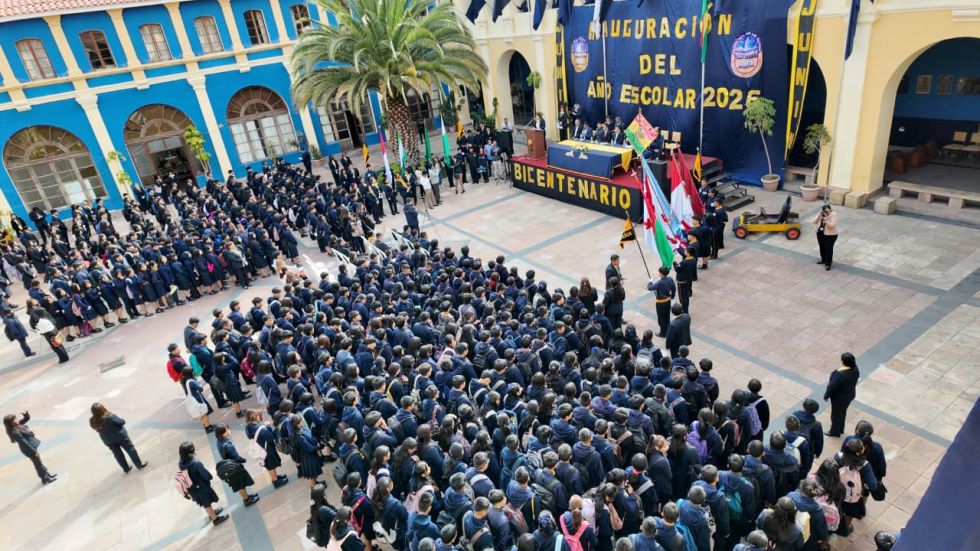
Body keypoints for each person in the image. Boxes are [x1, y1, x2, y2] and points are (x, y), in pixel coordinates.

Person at [177, 441, 228, 525]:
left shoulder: (181, 463)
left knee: (205, 502)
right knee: (206, 503)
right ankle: (215, 518)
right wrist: (209, 477)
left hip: (192, 488)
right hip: (202, 487)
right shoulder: (195, 463)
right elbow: (204, 474)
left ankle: (211, 513)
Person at [89, 402, 147, 473]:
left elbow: (95, 429)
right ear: (102, 408)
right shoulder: (110, 416)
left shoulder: (92, 421)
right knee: (130, 449)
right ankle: (139, 465)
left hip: (107, 440)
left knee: (117, 454)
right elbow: (122, 422)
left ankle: (126, 469)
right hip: (120, 436)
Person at [4, 411, 56, 484]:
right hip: (28, 449)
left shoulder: (16, 425)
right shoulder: (14, 432)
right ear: (11, 421)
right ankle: (44, 478)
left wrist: (26, 415)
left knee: (39, 463)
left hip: (30, 447)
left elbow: (26, 419)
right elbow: (24, 443)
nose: (17, 419)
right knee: (38, 464)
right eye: (15, 418)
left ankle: (47, 475)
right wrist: (34, 451)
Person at [215, 425, 261, 506]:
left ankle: (247, 496)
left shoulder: (219, 442)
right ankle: (246, 500)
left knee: (240, 483)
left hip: (229, 465)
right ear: (222, 433)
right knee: (240, 485)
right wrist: (243, 460)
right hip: (234, 467)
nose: (228, 430)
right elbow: (236, 457)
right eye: (226, 430)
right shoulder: (228, 445)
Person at [823, 352, 859, 437]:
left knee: (836, 415)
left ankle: (835, 431)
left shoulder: (840, 374)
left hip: (839, 398)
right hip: (849, 395)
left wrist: (826, 395)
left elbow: (831, 387)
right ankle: (840, 428)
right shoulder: (855, 369)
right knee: (842, 412)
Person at [812, 204, 839, 270]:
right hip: (820, 233)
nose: (827, 212)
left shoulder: (834, 215)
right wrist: (819, 216)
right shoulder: (821, 214)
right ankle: (823, 259)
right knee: (822, 247)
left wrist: (826, 219)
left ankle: (828, 264)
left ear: (830, 209)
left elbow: (831, 225)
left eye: (828, 210)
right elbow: (813, 221)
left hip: (831, 235)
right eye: (825, 211)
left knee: (828, 249)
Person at [650, 268, 675, 338]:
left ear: (661, 274)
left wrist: (650, 282)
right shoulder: (670, 279)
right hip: (668, 301)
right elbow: (674, 288)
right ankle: (667, 330)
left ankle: (663, 332)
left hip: (661, 303)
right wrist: (672, 296)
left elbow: (650, 287)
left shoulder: (660, 282)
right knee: (667, 317)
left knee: (661, 318)